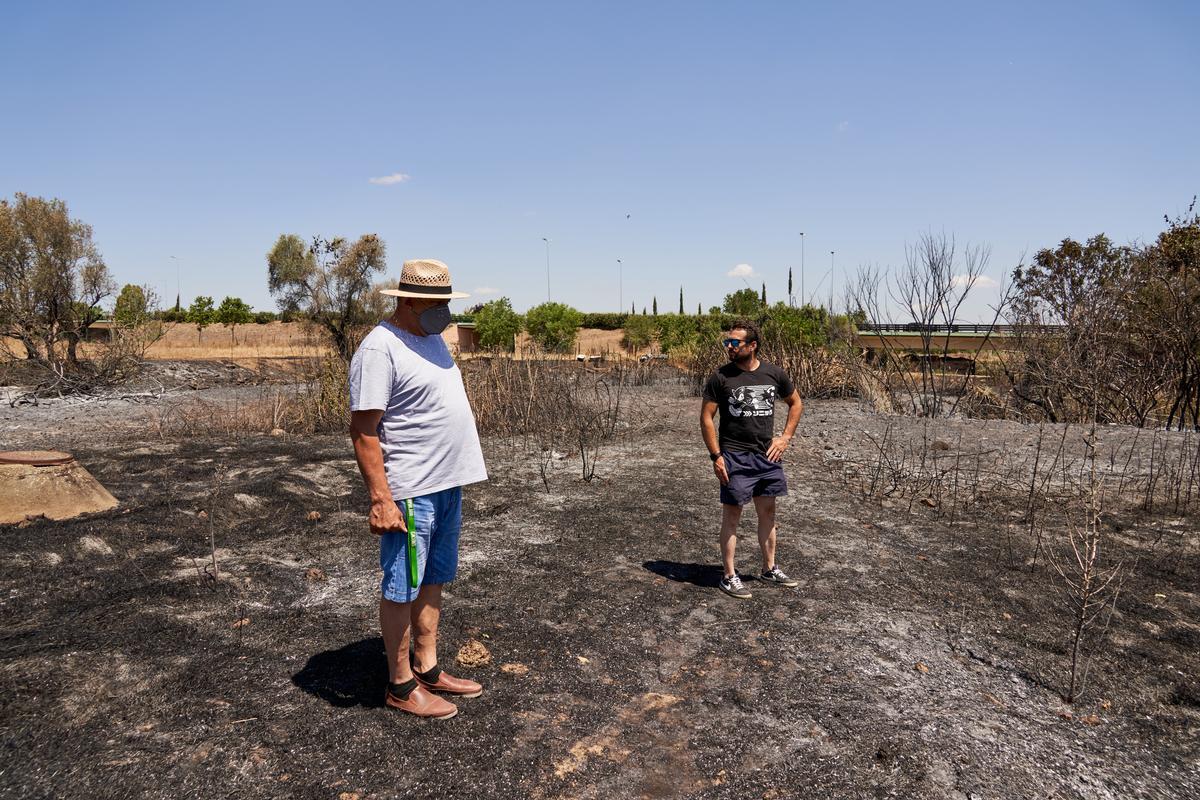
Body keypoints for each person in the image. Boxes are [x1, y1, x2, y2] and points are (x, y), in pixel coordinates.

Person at [349, 258, 488, 720]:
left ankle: (427, 668)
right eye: (435, 303)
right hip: (410, 491)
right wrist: (380, 499)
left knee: (433, 579)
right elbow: (364, 430)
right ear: (407, 300)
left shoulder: (430, 340)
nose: (444, 310)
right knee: (402, 586)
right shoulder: (379, 349)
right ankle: (400, 683)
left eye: (447, 302)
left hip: (447, 485)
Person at [700, 318, 803, 599]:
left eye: (735, 343)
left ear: (752, 345)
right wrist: (716, 456)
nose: (729, 347)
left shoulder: (774, 374)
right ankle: (729, 576)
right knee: (732, 516)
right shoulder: (721, 377)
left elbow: (796, 403)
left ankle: (769, 568)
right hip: (734, 456)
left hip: (767, 457)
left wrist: (785, 437)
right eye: (727, 342)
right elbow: (706, 418)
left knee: (768, 514)